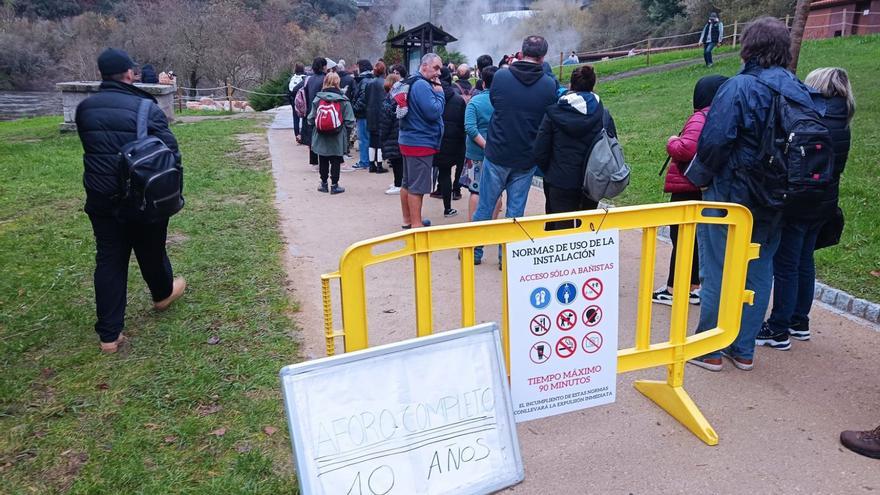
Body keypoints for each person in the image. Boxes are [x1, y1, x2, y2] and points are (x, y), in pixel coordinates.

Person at [685, 17, 819, 372]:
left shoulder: (738, 87)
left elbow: (713, 142)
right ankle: (743, 348)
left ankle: (710, 347)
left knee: (717, 267)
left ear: (749, 47)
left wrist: (699, 179)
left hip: (732, 193)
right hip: (777, 197)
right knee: (759, 270)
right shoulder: (799, 89)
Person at [74, 48, 186, 353]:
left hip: (100, 197)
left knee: (109, 259)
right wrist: (176, 192)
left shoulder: (85, 109)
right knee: (151, 250)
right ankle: (162, 294)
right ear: (128, 74)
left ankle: (109, 336)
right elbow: (170, 154)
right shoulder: (145, 108)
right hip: (141, 196)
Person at [757, 67, 855, 350]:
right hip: (825, 202)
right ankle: (799, 320)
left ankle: (778, 328)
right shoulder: (842, 120)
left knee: (786, 264)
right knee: (804, 261)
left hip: (802, 200)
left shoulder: (814, 119)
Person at [471, 35, 558, 265]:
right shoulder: (549, 84)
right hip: (526, 156)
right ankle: (507, 259)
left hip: (498, 150)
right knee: (515, 211)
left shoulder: (501, 76)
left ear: (522, 51)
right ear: (543, 56)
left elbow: (496, 102)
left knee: (485, 205)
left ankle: (474, 253)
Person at [652, 75, 728, 307]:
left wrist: (672, 141)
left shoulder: (700, 117)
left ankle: (675, 288)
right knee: (694, 238)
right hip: (701, 186)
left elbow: (686, 148)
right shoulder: (720, 115)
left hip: (686, 186)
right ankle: (693, 286)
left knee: (681, 237)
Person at [533, 65, 615, 230]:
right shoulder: (603, 114)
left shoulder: (553, 114)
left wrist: (550, 171)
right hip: (592, 180)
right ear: (593, 85)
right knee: (586, 228)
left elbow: (540, 151)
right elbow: (612, 147)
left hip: (559, 180)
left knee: (561, 232)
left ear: (571, 85)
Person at [398, 53, 445, 229]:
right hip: (420, 143)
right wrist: (440, 95)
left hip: (408, 139)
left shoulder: (411, 81)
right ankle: (416, 225)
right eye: (436, 68)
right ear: (424, 66)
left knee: (407, 183)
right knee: (417, 187)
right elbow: (433, 111)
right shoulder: (422, 86)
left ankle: (407, 220)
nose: (439, 73)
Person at [462, 66, 502, 229]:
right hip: (498, 153)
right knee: (497, 191)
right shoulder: (503, 101)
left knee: (475, 190)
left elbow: (470, 128)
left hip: (476, 153)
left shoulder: (475, 101)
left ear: (483, 83)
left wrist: (485, 145)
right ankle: (490, 227)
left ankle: (473, 228)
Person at [307, 72, 355, 194]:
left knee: (322, 158)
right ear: (338, 83)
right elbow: (350, 121)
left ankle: (323, 184)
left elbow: (310, 119)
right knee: (336, 160)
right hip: (337, 135)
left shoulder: (318, 99)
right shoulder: (343, 100)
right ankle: (334, 185)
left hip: (320, 134)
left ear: (325, 82)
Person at [435, 67, 467, 217]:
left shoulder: (432, 96)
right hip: (456, 141)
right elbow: (464, 123)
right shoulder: (458, 100)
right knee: (456, 167)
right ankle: (456, 189)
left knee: (444, 172)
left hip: (437, 140)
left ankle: (447, 206)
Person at [380, 71, 405, 195]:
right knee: (398, 160)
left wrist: (382, 135)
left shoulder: (390, 100)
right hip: (399, 132)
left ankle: (398, 184)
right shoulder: (400, 97)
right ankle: (399, 182)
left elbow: (386, 120)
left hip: (392, 134)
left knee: (396, 161)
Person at [302, 57, 328, 167]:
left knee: (312, 136)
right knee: (322, 136)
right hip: (322, 110)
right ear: (323, 66)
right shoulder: (325, 79)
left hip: (310, 110)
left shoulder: (310, 79)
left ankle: (314, 162)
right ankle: (323, 160)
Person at [365, 62, 389, 174]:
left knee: (372, 140)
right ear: (384, 70)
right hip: (381, 113)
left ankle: (371, 164)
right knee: (380, 141)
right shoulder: (385, 83)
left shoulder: (369, 83)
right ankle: (379, 165)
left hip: (370, 114)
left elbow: (365, 98)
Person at [351, 59, 374, 169]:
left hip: (363, 114)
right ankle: (369, 160)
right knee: (368, 138)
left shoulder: (364, 81)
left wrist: (354, 109)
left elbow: (363, 98)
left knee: (363, 139)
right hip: (370, 114)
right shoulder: (371, 79)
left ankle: (364, 161)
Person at [288, 62, 306, 142]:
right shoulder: (304, 78)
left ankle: (297, 135)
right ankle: (303, 135)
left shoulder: (292, 78)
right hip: (303, 100)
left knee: (296, 118)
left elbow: (289, 90)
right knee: (304, 118)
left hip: (293, 100)